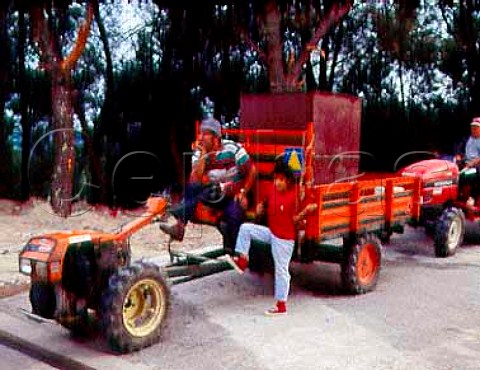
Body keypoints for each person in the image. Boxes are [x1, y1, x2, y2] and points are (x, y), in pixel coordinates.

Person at [226, 160, 317, 316]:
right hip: (272, 232)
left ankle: (281, 305)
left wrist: (306, 211)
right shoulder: (272, 189)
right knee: (246, 228)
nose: (277, 182)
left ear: (287, 180)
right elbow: (266, 202)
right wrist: (261, 207)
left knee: (281, 271)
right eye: (276, 178)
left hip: (284, 239)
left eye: (281, 180)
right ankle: (242, 261)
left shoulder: (295, 194)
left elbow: (295, 220)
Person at [159, 117, 256, 254]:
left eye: (205, 134)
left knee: (233, 214)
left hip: (233, 194)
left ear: (215, 138)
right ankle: (180, 227)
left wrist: (243, 191)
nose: (201, 137)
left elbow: (252, 171)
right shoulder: (200, 152)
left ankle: (237, 252)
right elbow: (196, 178)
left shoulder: (232, 149)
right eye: (200, 133)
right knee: (193, 187)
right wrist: (204, 155)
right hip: (213, 193)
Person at [460, 117, 480, 204]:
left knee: (467, 175)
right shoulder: (467, 139)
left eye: (476, 127)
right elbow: (460, 150)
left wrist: (473, 163)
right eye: (472, 127)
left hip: (476, 165)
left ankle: (473, 197)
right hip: (466, 162)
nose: (473, 129)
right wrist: (458, 156)